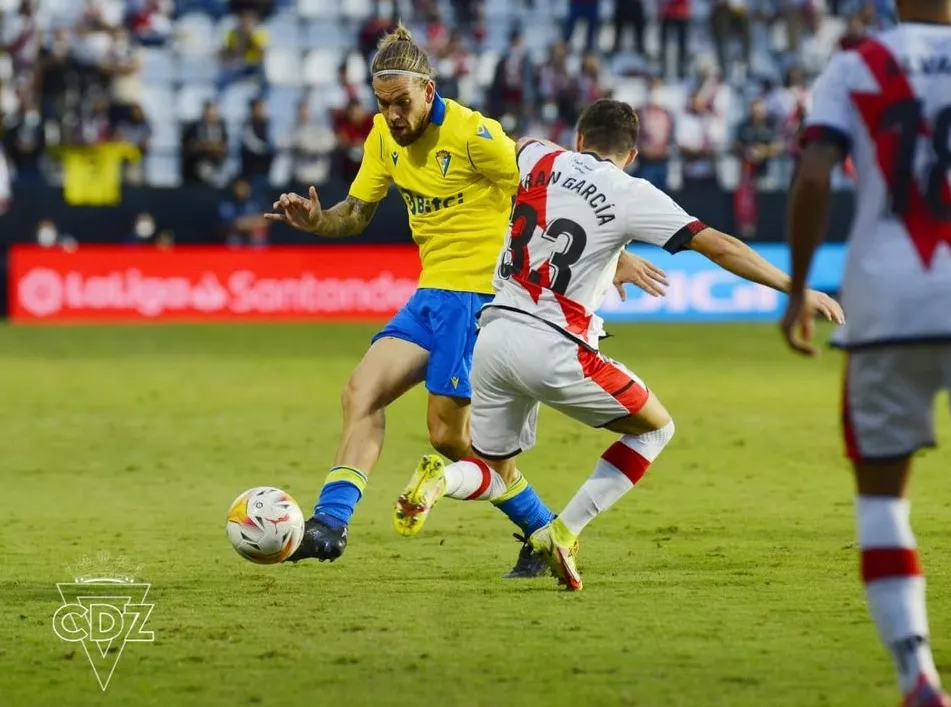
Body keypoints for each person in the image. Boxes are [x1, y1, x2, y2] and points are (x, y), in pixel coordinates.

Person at [392, 98, 843, 592]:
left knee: (494, 473)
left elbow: (503, 150)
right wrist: (796, 288)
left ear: (579, 138)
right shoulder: (632, 193)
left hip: (494, 336)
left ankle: (440, 479)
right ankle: (563, 533)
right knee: (655, 430)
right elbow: (720, 245)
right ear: (632, 155)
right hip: (555, 345)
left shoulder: (537, 154)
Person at [264, 25, 666, 575]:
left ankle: (542, 531)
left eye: (402, 103)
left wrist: (612, 259)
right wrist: (317, 221)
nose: (393, 116)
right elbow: (355, 214)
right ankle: (330, 526)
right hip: (431, 295)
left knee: (449, 438)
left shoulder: (476, 135)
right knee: (361, 392)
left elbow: (551, 195)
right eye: (383, 105)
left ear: (429, 90)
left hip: (480, 296)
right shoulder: (383, 138)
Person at [781, 0, 951, 703]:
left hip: (886, 303)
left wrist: (795, 290)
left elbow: (815, 175)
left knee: (882, 499)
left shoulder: (853, 66)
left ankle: (916, 671)